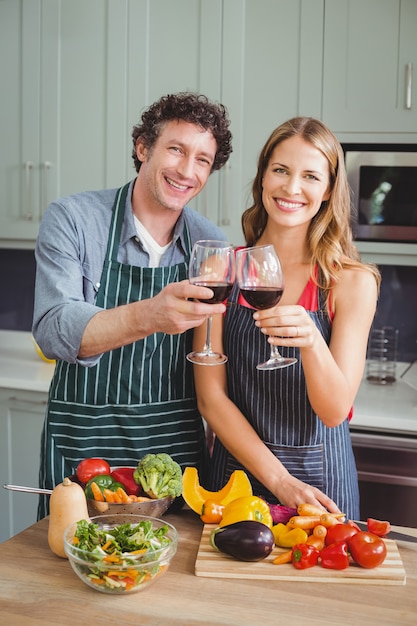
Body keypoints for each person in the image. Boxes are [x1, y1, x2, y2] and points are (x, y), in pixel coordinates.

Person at [32, 92, 232, 518]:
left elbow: (211, 358)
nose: (186, 170)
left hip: (175, 449)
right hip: (84, 445)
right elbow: (52, 328)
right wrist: (149, 314)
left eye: (202, 159)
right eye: (176, 150)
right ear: (143, 148)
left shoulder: (210, 245)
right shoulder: (74, 220)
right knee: (72, 573)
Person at [192, 117, 380, 520]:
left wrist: (312, 340)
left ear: (328, 190)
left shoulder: (351, 283)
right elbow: (211, 398)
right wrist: (279, 481)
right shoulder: (219, 268)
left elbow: (333, 411)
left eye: (310, 176)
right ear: (263, 177)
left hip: (320, 487)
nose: (291, 188)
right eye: (280, 170)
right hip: (234, 479)